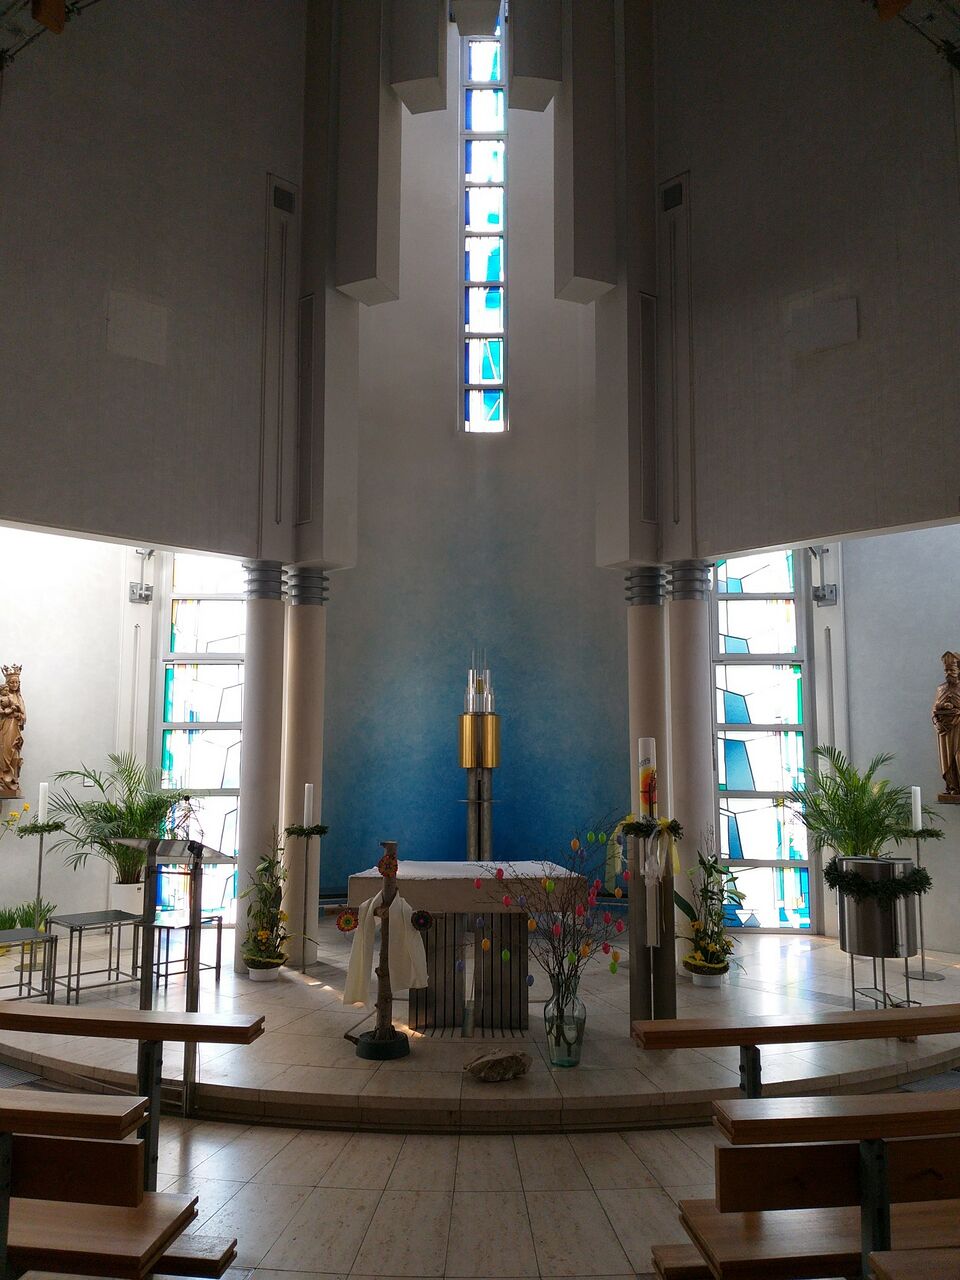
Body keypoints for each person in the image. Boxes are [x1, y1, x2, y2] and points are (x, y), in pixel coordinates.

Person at [932, 650, 960, 796]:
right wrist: (936, 723)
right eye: (946, 670)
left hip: (959, 728)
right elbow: (934, 709)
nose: (948, 673)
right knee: (948, 759)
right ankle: (953, 786)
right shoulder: (941, 689)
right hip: (945, 731)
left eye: (952, 670)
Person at [0, 665, 25, 797]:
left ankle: (12, 780)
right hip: (4, 727)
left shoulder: (19, 698)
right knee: (4, 751)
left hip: (15, 728)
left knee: (14, 753)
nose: (14, 685)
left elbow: (24, 717)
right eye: (12, 682)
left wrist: (17, 714)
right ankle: (3, 780)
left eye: (17, 682)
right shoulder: (2, 696)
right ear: (7, 683)